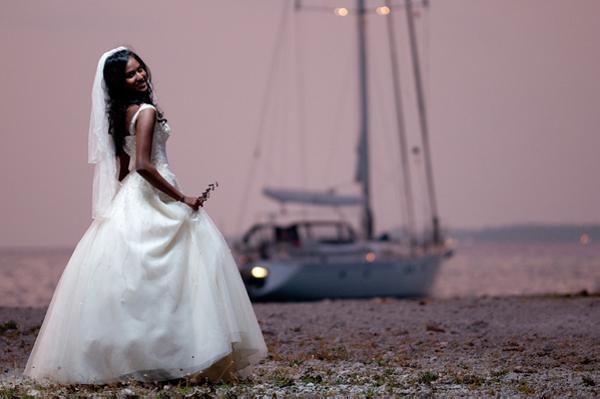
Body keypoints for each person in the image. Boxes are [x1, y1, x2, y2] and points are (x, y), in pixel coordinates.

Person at [23, 46, 268, 385]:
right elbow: (142, 165)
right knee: (177, 279)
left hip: (133, 198)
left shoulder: (121, 114)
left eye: (140, 69)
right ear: (118, 82)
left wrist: (121, 205)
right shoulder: (147, 111)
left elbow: (123, 169)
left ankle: (135, 359)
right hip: (157, 193)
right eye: (130, 74)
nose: (140, 76)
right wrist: (183, 198)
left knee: (136, 282)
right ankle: (177, 357)